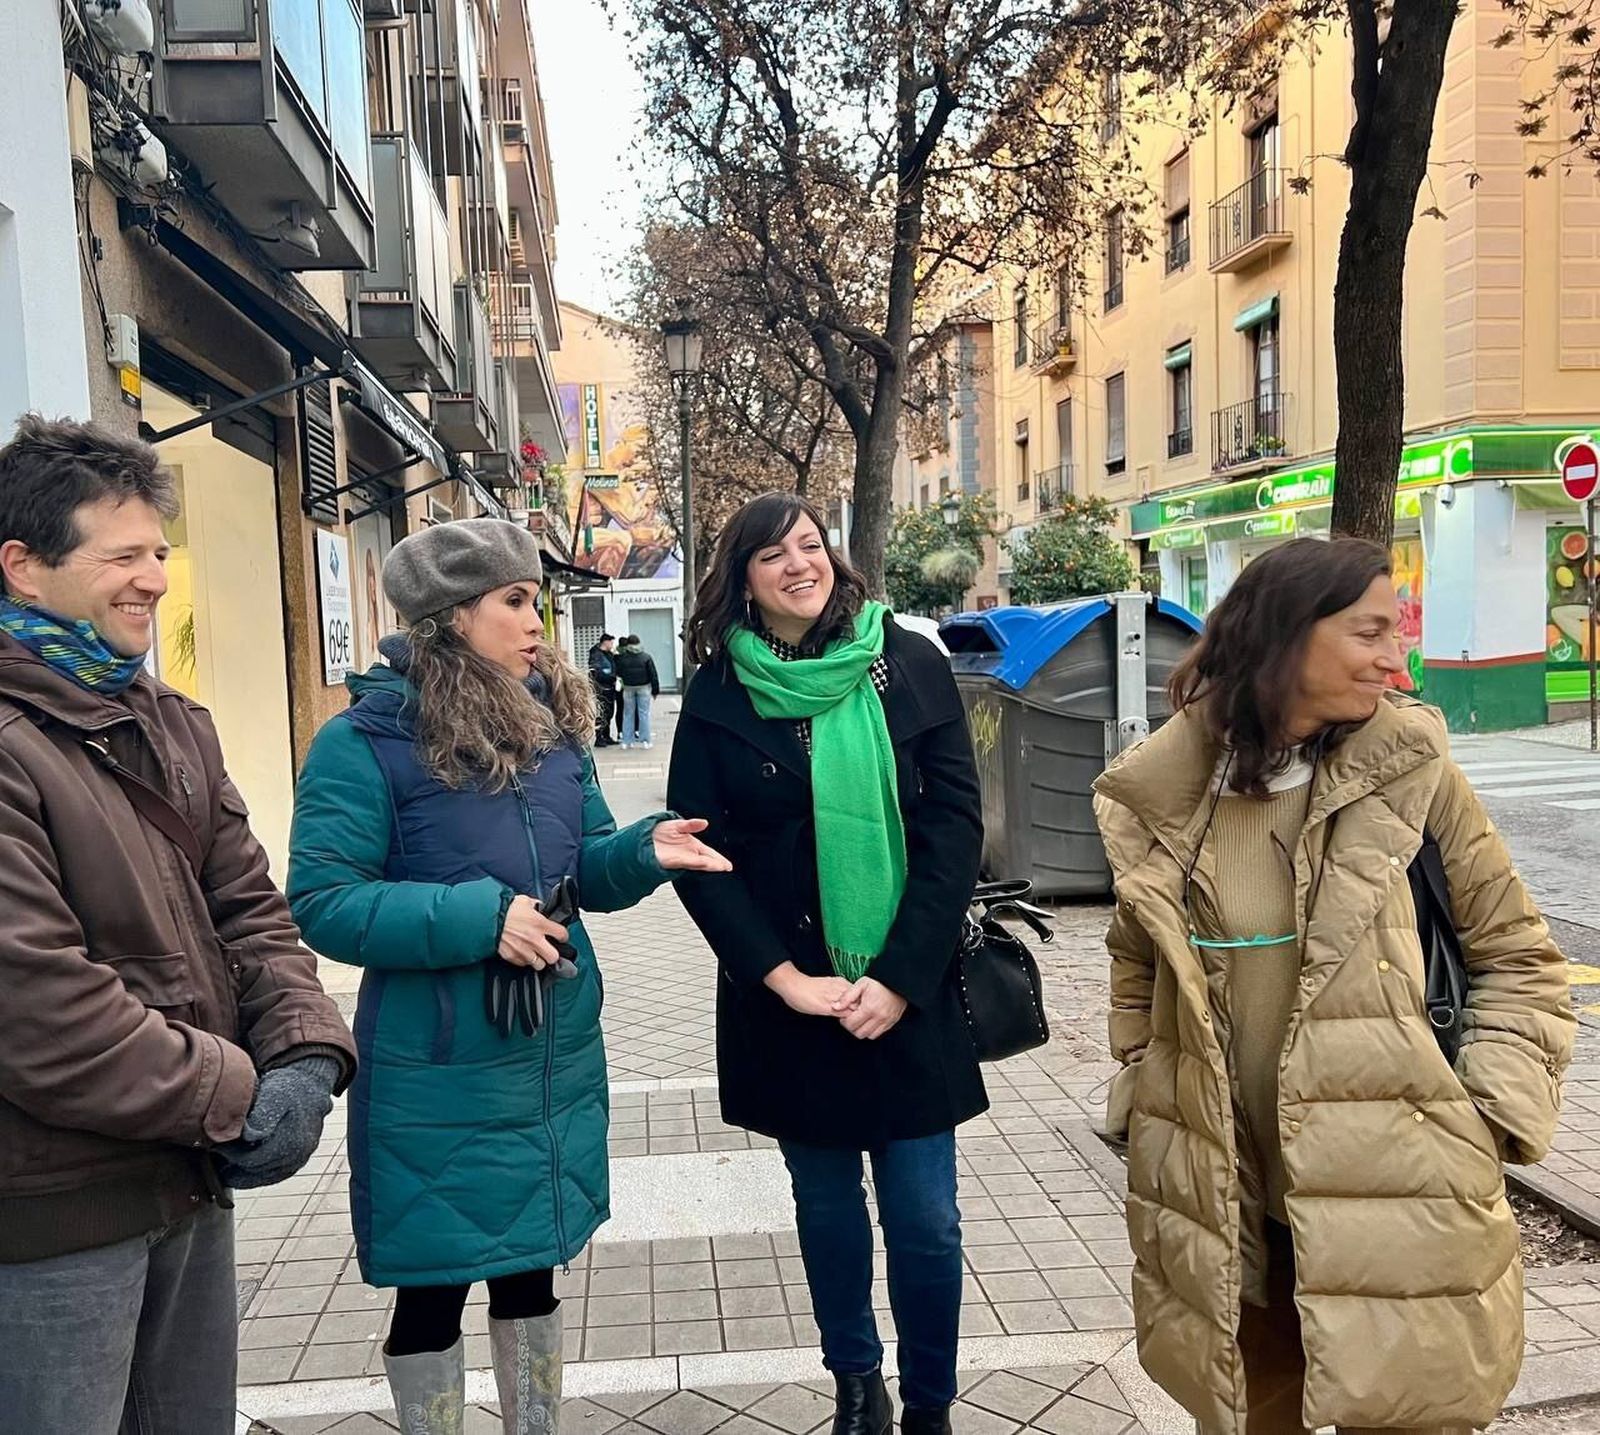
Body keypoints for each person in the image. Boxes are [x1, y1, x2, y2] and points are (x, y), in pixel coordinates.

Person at [1092, 536, 1576, 1435]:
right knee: (1248, 1416)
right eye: (1371, 632)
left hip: (1401, 1197)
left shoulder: (1414, 777)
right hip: (1232, 1204)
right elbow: (1137, 963)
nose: (1397, 656)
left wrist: (1484, 1116)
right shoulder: (1170, 796)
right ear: (1284, 637)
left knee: (1407, 1417)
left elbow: (1520, 956)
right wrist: (1146, 1094)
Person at [286, 518, 730, 1435]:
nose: (537, 622)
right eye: (515, 602)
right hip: (435, 1068)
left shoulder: (556, 728)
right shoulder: (365, 739)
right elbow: (325, 901)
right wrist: (481, 918)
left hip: (549, 1053)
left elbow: (588, 871)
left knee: (531, 1273)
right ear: (451, 616)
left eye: (538, 601)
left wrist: (645, 849)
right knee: (432, 1290)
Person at [0, 416, 356, 1432]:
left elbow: (251, 911)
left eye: (159, 550)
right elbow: (39, 1009)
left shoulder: (173, 721)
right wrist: (240, 1093)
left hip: (188, 1182)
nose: (155, 577)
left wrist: (303, 1054)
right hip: (51, 1218)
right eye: (123, 555)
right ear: (25, 567)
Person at [668, 493, 985, 1435]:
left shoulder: (908, 664)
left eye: (809, 544)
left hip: (905, 991)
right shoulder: (722, 690)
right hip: (791, 999)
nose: (798, 564)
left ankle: (930, 1401)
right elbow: (697, 851)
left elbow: (954, 831)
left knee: (926, 1216)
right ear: (744, 580)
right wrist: (784, 978)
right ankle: (857, 1379)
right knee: (825, 1205)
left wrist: (898, 978)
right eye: (773, 555)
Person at [615, 633, 660, 749]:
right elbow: (653, 674)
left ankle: (626, 741)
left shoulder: (622, 658)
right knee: (643, 714)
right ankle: (645, 740)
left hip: (628, 688)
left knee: (628, 714)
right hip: (644, 687)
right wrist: (655, 690)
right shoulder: (646, 657)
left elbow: (618, 673)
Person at [588, 631, 619, 746]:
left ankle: (606, 735)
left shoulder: (609, 654)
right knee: (602, 713)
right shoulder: (596, 655)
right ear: (605, 642)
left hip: (610, 687)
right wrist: (610, 677)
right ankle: (599, 737)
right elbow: (596, 672)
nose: (612, 644)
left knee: (609, 712)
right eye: (611, 642)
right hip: (601, 688)